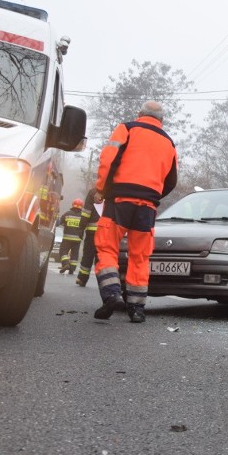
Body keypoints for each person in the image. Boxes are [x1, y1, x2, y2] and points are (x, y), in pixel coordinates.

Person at [92, 100, 178, 323]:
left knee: (107, 247)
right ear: (162, 120)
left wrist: (102, 188)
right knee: (140, 256)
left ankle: (111, 294)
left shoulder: (127, 129)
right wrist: (152, 195)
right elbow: (171, 180)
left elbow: (108, 160)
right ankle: (137, 308)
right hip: (147, 206)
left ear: (139, 114)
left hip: (120, 200)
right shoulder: (169, 142)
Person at [74, 187, 101, 287]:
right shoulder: (115, 190)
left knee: (88, 255)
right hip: (108, 232)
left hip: (92, 231)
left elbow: (86, 212)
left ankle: (82, 279)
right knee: (103, 258)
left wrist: (81, 227)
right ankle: (104, 282)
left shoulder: (93, 192)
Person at [57, 198, 84, 274]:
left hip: (67, 238)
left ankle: (65, 264)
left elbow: (60, 222)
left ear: (73, 205)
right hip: (78, 239)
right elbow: (85, 226)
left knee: (63, 251)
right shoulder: (83, 216)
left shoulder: (67, 214)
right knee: (75, 253)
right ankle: (72, 269)